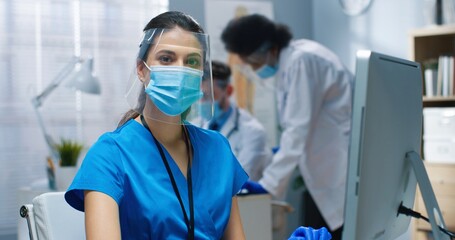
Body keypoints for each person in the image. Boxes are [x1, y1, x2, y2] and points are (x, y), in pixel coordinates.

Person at [64, 11, 248, 239]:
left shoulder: (218, 149)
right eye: (166, 58)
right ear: (141, 70)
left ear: (201, 74)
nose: (180, 71)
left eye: (191, 62)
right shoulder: (109, 155)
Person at [221, 14, 353, 239]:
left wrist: (268, 184)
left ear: (269, 48)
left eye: (253, 62)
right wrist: (279, 153)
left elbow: (297, 130)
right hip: (327, 171)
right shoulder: (294, 60)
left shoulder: (302, 61)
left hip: (340, 171)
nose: (253, 69)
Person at [200, 60, 272, 181]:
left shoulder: (253, 132)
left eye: (210, 95)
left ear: (228, 91)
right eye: (200, 96)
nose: (203, 102)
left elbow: (240, 181)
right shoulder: (197, 125)